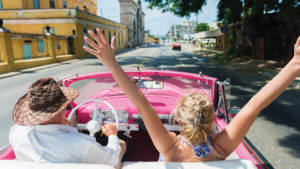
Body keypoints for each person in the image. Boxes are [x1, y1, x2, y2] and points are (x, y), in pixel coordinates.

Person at [83, 28, 300, 162]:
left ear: (178, 120)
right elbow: (255, 105)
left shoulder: (170, 149)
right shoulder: (221, 148)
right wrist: (294, 64)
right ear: (213, 120)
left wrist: (111, 62)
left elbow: (141, 105)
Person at [9, 77, 126, 168]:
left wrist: (61, 124)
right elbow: (112, 160)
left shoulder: (16, 133)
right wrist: (112, 136)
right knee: (121, 144)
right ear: (63, 110)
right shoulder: (81, 143)